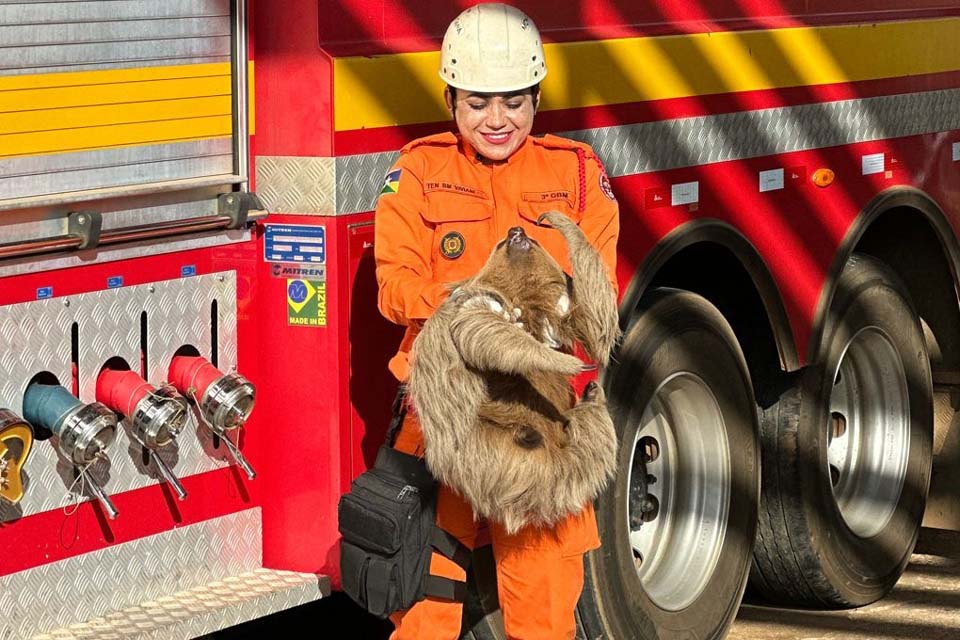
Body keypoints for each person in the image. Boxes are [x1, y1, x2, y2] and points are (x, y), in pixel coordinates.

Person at [373, 4, 619, 639]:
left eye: (514, 101)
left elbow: (597, 303)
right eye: (478, 101)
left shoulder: (578, 176)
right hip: (441, 422)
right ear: (451, 97)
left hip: (539, 423)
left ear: (537, 97)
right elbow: (394, 290)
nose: (497, 119)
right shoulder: (418, 171)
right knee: (422, 611)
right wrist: (476, 304)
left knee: (543, 611)